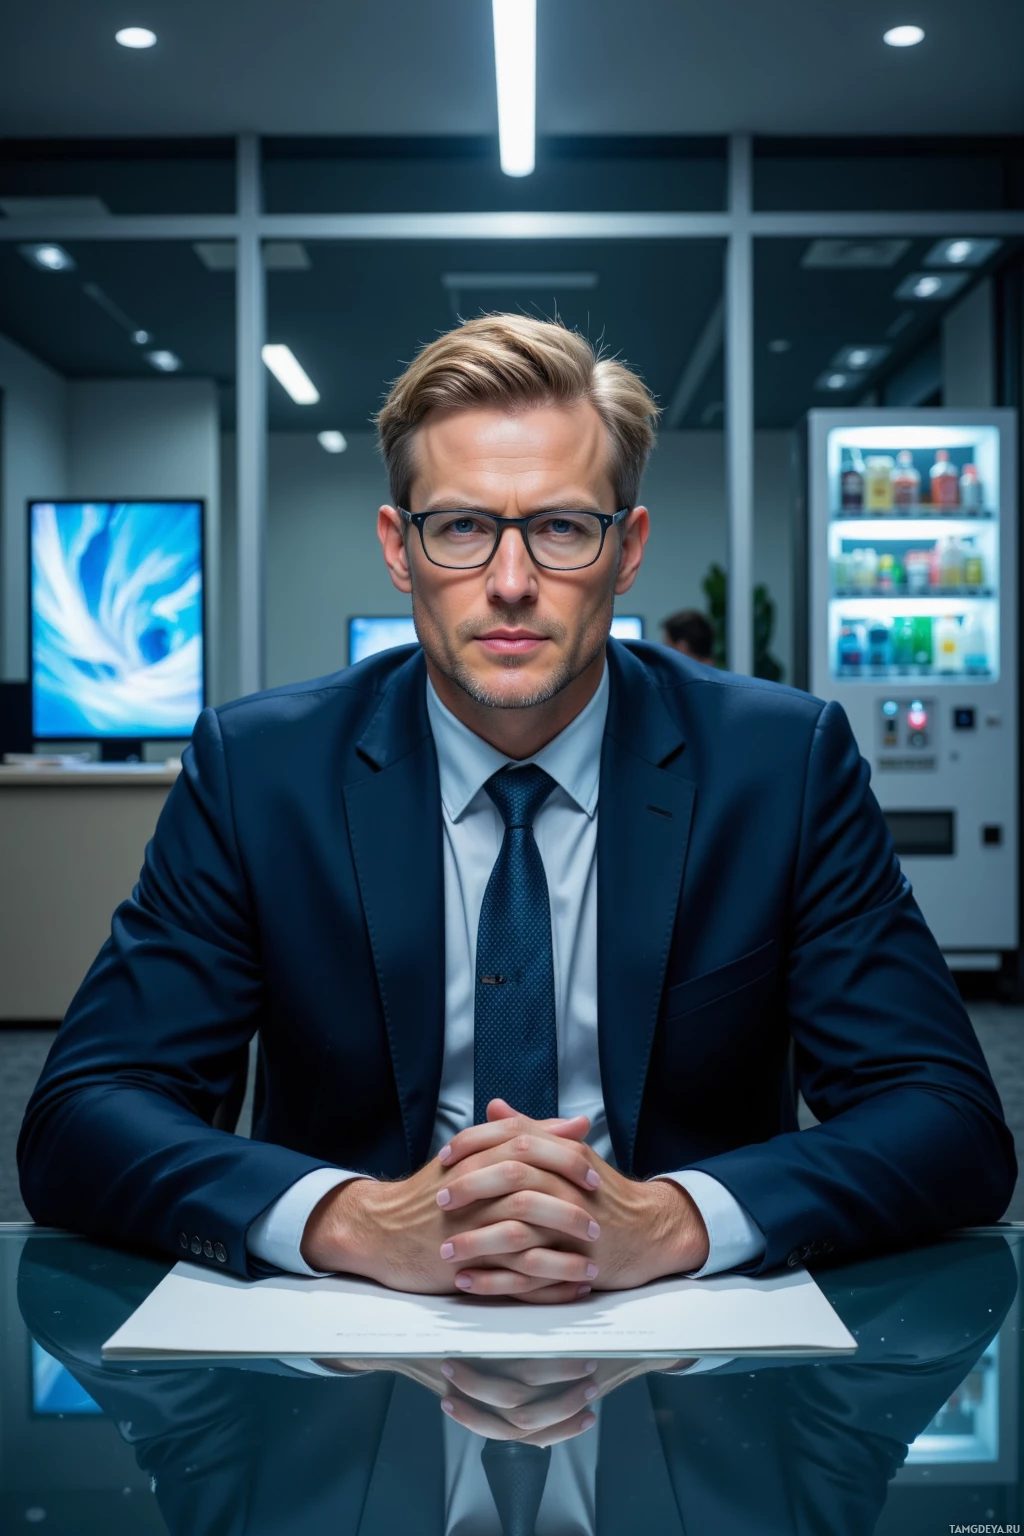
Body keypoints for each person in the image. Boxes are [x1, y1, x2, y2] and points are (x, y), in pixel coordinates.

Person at [19, 315, 1015, 1305]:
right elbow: (82, 1115)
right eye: (458, 527)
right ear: (397, 548)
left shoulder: (779, 767)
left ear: (626, 549)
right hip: (346, 1355)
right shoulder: (260, 772)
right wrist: (351, 1220)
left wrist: (671, 1220)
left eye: (559, 527)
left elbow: (945, 1117)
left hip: (692, 1361)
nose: (508, 584)